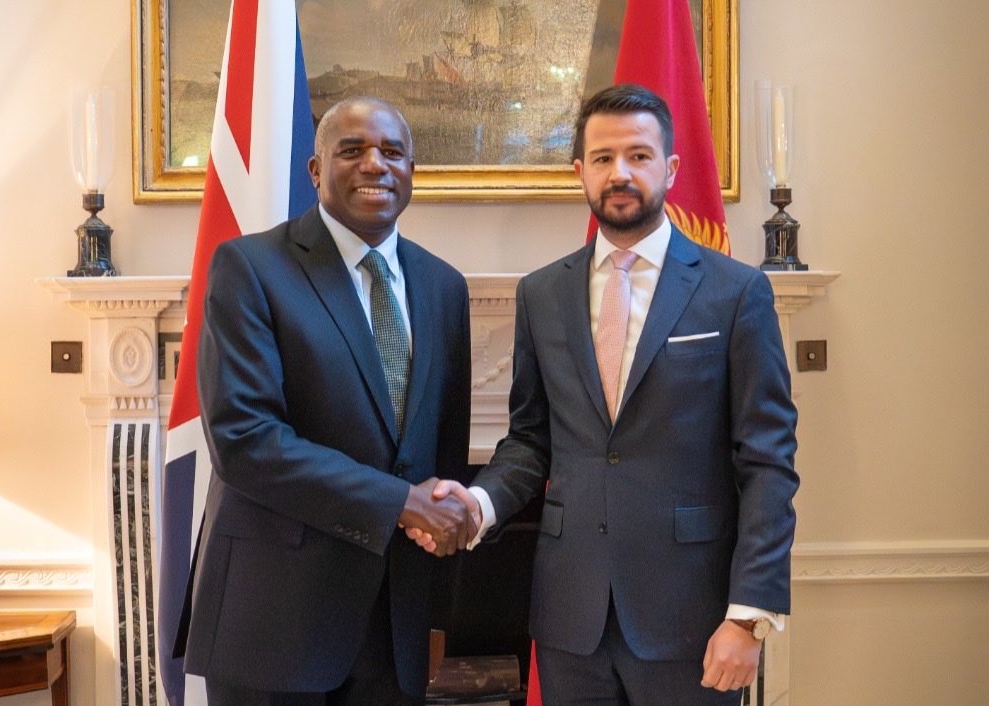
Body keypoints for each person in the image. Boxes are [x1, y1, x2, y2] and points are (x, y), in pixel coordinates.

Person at [414, 84, 800, 705]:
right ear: (581, 172)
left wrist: (749, 615)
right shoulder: (542, 293)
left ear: (670, 169)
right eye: (602, 158)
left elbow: (767, 462)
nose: (619, 172)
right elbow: (530, 441)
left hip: (694, 620)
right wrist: (478, 505)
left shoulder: (735, 292)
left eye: (638, 156)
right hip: (571, 621)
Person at [179, 96, 477, 706]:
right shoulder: (251, 267)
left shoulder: (444, 286)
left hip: (394, 629)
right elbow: (245, 441)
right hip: (274, 621)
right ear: (316, 171)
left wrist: (435, 616)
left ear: (412, 170)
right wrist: (400, 503)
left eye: (392, 152)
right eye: (352, 150)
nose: (375, 165)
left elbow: (442, 454)